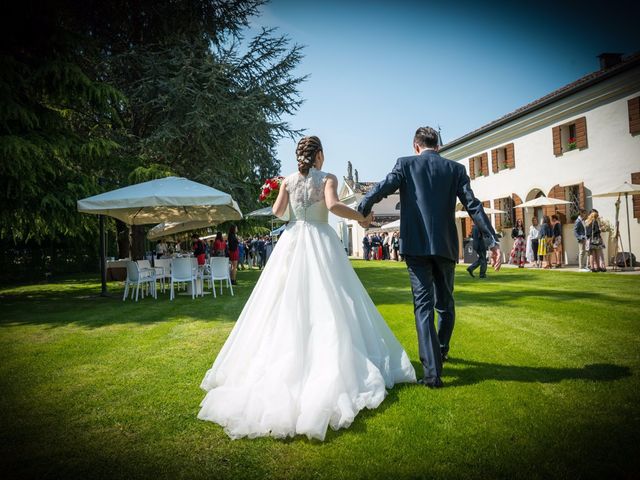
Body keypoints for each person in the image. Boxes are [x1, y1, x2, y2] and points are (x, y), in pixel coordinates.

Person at [198, 135, 415, 441]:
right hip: (320, 241)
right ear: (320, 156)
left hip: (292, 240)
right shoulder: (328, 178)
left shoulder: (287, 180)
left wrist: (286, 199)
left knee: (284, 301)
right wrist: (362, 218)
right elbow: (334, 205)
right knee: (333, 298)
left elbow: (277, 213)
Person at [358, 126, 501, 389]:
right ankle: (442, 349)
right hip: (446, 246)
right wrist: (492, 240)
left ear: (415, 146)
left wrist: (364, 205)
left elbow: (382, 188)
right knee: (445, 305)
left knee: (423, 307)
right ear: (438, 146)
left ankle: (433, 373)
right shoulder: (455, 169)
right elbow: (473, 205)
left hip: (415, 246)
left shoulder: (405, 164)